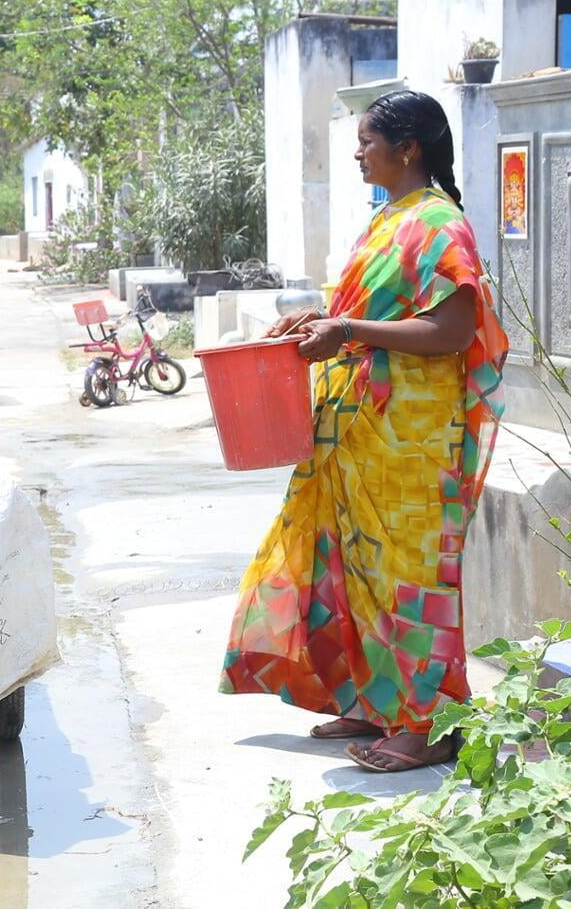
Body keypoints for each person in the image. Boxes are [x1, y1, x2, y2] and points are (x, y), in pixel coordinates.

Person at [219, 90, 509, 773]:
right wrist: (322, 318)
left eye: (366, 141)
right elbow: (381, 308)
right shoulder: (388, 220)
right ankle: (376, 696)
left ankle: (429, 722)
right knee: (352, 567)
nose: (356, 152)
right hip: (358, 433)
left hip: (410, 443)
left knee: (412, 580)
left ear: (407, 148)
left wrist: (347, 330)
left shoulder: (439, 224)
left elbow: (453, 329)